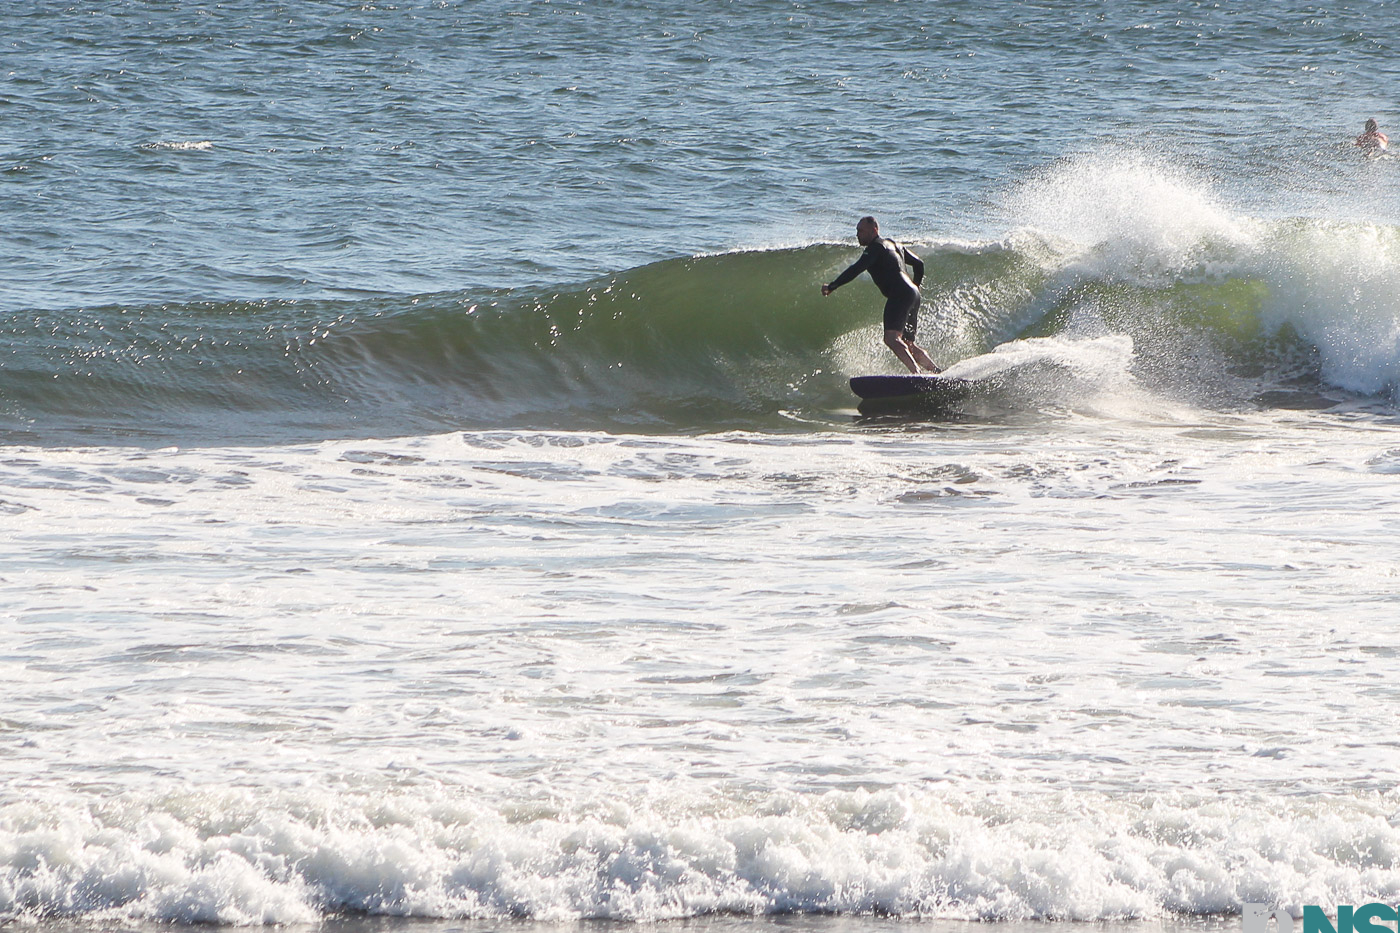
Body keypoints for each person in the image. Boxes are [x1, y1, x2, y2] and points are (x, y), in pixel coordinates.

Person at [821, 216, 939, 373]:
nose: (858, 234)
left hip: (899, 294)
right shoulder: (895, 244)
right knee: (908, 343)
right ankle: (937, 371)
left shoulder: (875, 247)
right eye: (857, 231)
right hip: (912, 294)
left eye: (861, 231)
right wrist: (916, 286)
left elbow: (856, 269)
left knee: (891, 338)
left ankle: (916, 374)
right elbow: (919, 264)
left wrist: (832, 286)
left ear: (874, 230)